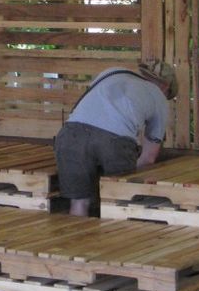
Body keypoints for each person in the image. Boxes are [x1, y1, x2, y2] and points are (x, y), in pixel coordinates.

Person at [54, 61, 178, 217]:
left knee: (79, 201)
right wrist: (129, 171)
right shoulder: (158, 96)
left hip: (71, 134)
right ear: (166, 87)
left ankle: (77, 237)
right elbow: (149, 158)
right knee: (118, 203)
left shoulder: (112, 72)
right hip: (115, 141)